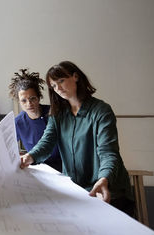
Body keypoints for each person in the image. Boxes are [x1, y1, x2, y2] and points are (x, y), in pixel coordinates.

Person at [20, 61, 134, 216]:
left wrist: (103, 179)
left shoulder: (101, 111)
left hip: (108, 189)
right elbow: (47, 142)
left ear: (75, 77)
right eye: (53, 86)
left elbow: (108, 153)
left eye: (61, 81)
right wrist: (29, 157)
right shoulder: (58, 113)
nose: (58, 89)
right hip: (77, 190)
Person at [9, 69, 62, 172]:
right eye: (24, 101)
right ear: (19, 102)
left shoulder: (53, 113)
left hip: (61, 167)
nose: (29, 104)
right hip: (37, 169)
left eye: (32, 98)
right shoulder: (18, 122)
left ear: (39, 97)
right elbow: (8, 148)